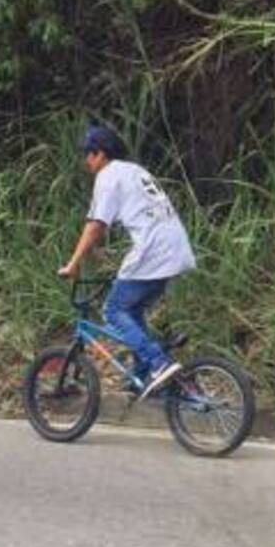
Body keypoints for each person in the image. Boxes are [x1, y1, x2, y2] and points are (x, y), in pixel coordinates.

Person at [58, 125, 196, 396]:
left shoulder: (108, 175)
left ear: (100, 154)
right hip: (174, 248)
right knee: (131, 311)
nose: (86, 161)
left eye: (88, 154)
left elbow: (96, 225)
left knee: (113, 310)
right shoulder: (135, 171)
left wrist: (73, 263)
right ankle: (143, 378)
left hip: (154, 251)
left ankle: (158, 363)